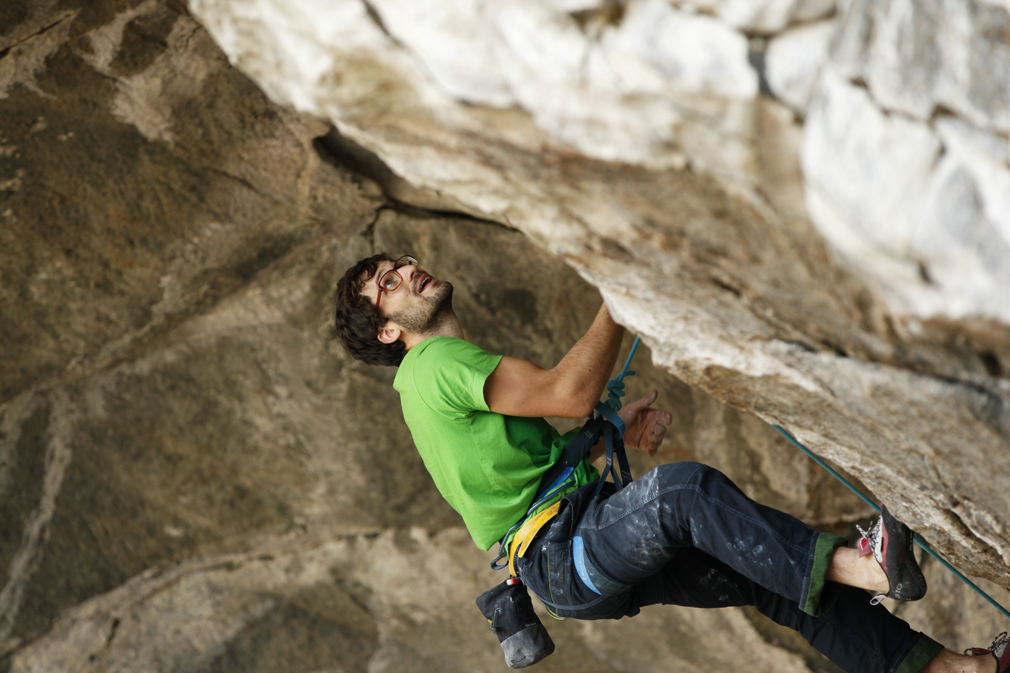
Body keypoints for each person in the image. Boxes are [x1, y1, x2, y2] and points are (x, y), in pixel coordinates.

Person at [334, 252, 1008, 673]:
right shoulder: (431, 364)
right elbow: (571, 392)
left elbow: (515, 481)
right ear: (390, 332)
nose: (407, 272)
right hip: (564, 552)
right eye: (387, 286)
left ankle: (956, 670)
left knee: (776, 582)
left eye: (399, 265)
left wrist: (610, 432)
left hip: (569, 556)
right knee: (680, 494)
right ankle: (870, 564)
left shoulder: (431, 384)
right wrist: (617, 297)